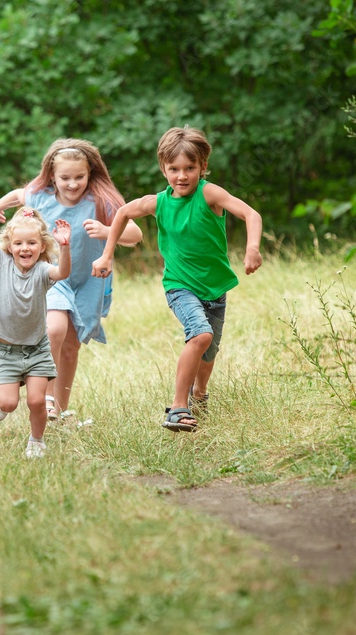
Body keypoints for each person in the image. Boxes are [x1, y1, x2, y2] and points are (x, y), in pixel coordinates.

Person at [91, 126, 263, 431]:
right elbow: (122, 214)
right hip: (179, 285)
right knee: (200, 335)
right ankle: (178, 408)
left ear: (202, 167)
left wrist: (252, 249)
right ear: (163, 169)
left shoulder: (209, 193)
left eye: (190, 168)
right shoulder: (158, 202)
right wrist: (106, 254)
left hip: (215, 287)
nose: (182, 176)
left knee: (208, 354)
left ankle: (198, 395)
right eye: (174, 169)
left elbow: (251, 214)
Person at [0, 138, 142, 424]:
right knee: (54, 329)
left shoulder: (100, 201)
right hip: (51, 278)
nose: (72, 184)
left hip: (87, 282)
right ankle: (41, 394)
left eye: (79, 177)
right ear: (52, 177)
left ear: (90, 174)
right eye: (65, 178)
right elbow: (20, 194)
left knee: (71, 347)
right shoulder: (41, 196)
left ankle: (58, 408)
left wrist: (108, 230)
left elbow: (135, 234)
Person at [0, 180, 72, 459]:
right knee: (8, 404)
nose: (24, 248)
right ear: (9, 245)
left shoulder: (42, 270)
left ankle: (36, 441)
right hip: (6, 349)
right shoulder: (0, 262)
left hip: (37, 348)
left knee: (37, 400)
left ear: (41, 246)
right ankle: (10, 387)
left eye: (31, 243)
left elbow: (62, 273)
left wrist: (65, 247)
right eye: (18, 243)